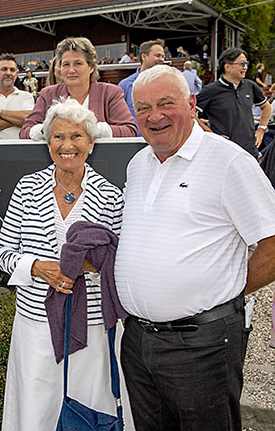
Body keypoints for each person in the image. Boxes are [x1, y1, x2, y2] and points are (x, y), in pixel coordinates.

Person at [115, 64, 275, 431]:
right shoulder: (139, 163)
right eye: (142, 107)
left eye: (166, 103)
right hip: (139, 342)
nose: (154, 116)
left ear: (191, 104)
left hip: (202, 344)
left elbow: (272, 241)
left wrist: (231, 289)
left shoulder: (229, 161)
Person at [0, 98, 134, 430]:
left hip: (92, 328)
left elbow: (121, 263)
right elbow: (1, 252)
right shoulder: (27, 189)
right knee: (35, 413)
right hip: (35, 326)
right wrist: (37, 266)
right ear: (47, 142)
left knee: (90, 412)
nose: (67, 145)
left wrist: (88, 265)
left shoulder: (112, 196)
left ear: (91, 142)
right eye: (58, 137)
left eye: (76, 136)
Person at [19, 37, 137, 139]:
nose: (71, 70)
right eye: (66, 64)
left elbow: (129, 131)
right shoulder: (47, 94)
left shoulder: (110, 93)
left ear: (91, 67)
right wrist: (49, 129)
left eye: (78, 63)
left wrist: (89, 128)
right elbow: (25, 132)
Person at [196, 48, 272, 158]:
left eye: (246, 63)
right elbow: (189, 113)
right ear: (227, 67)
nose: (245, 67)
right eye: (242, 64)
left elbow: (266, 107)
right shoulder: (210, 90)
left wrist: (261, 129)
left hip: (249, 150)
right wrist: (209, 133)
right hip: (223, 153)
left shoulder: (250, 86)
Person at [0, 54, 35, 140]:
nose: (8, 73)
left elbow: (30, 120)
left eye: (12, 70)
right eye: (4, 69)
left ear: (16, 74)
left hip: (21, 150)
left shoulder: (26, 96)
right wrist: (17, 121)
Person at [118, 39, 166, 120]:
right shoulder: (125, 85)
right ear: (144, 57)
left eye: (163, 56)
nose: (161, 59)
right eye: (158, 55)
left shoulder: (166, 84)